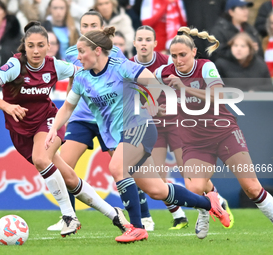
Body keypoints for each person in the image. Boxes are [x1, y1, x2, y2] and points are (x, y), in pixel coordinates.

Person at [45, 26, 230, 243]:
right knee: (158, 190)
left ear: (97, 51)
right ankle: (211, 203)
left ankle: (136, 228)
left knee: (117, 167)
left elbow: (151, 80)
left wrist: (150, 101)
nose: (78, 57)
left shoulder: (120, 66)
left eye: (82, 51)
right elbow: (67, 107)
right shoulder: (82, 78)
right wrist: (53, 129)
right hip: (117, 137)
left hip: (138, 126)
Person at [0, 21, 130, 237]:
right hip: (20, 130)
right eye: (31, 46)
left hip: (48, 122)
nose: (36, 51)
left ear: (49, 45)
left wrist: (73, 98)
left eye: (41, 45)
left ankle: (69, 216)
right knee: (68, 176)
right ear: (24, 46)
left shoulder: (55, 66)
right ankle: (114, 214)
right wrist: (7, 106)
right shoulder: (14, 66)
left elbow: (81, 72)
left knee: (41, 159)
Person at [155, 26, 273, 240]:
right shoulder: (163, 72)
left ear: (193, 53)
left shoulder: (206, 67)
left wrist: (184, 88)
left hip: (224, 133)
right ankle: (206, 206)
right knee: (193, 190)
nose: (178, 60)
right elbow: (138, 85)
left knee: (252, 188)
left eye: (183, 55)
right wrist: (154, 106)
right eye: (174, 56)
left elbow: (218, 96)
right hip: (194, 141)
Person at [47, 10, 155, 233]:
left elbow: (127, 83)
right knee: (64, 164)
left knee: (126, 168)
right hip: (83, 118)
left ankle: (143, 217)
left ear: (101, 30)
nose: (88, 29)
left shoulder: (114, 54)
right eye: (84, 25)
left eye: (93, 25)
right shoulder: (72, 53)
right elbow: (73, 86)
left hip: (110, 118)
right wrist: (62, 119)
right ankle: (69, 216)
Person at [132, 25, 234, 230]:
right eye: (139, 39)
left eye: (147, 39)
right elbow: (143, 92)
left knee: (191, 177)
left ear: (154, 43)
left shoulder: (168, 63)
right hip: (158, 125)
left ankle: (215, 197)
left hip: (179, 124)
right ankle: (180, 215)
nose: (143, 43)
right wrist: (149, 106)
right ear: (134, 43)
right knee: (159, 175)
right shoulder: (133, 66)